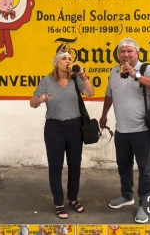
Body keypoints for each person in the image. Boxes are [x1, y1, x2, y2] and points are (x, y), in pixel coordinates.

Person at [99, 37, 150, 223]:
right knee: (123, 166)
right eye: (122, 51)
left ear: (137, 53)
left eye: (130, 51)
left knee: (145, 170)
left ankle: (144, 203)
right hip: (122, 130)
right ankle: (127, 196)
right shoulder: (114, 71)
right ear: (119, 54)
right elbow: (108, 95)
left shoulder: (146, 69)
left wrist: (135, 75)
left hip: (143, 130)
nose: (126, 54)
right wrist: (104, 115)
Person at [30, 48, 95, 219]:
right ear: (56, 63)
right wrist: (40, 99)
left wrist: (82, 74)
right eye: (65, 59)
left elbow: (90, 92)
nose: (68, 61)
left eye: (70, 59)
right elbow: (32, 103)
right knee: (55, 167)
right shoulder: (46, 81)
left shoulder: (75, 80)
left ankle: (73, 198)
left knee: (75, 165)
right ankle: (58, 202)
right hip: (54, 129)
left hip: (74, 127)